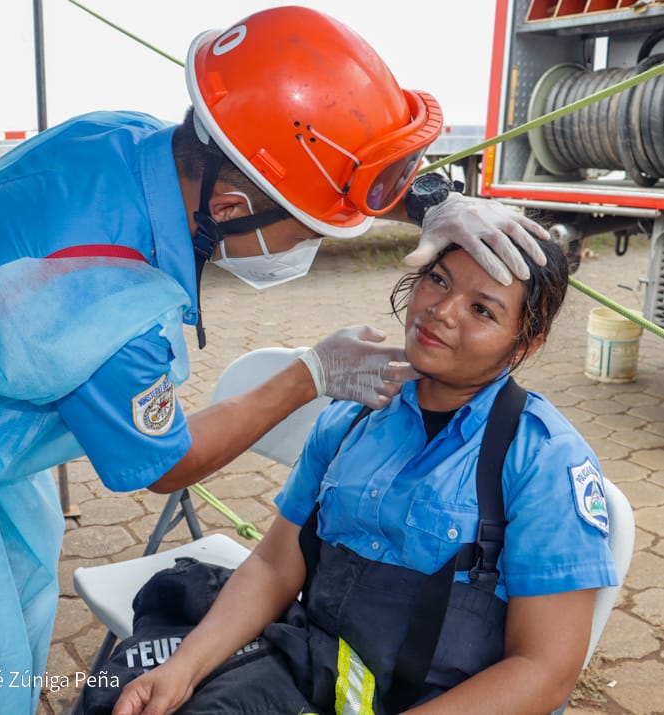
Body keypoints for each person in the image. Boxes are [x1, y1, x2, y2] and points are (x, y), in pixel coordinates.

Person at [0, 6, 549, 714]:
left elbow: (316, 170)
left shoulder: (120, 140)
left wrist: (426, 202)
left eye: (484, 307)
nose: (441, 312)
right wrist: (310, 374)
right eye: (311, 230)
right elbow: (166, 467)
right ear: (235, 204)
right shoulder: (101, 298)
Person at [110, 238, 618, 715]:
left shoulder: (544, 460)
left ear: (526, 343)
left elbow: (545, 670)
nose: (441, 311)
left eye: (482, 309)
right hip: (322, 674)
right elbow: (273, 566)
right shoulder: (352, 416)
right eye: (438, 280)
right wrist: (184, 668)